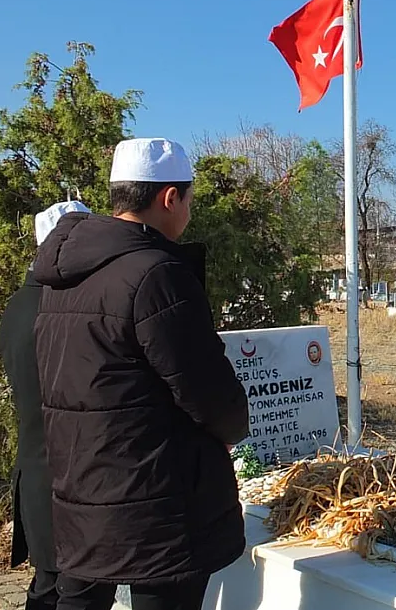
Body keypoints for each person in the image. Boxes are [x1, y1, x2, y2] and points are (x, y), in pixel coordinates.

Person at [32, 138, 250, 610]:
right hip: (156, 498)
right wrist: (235, 427)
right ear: (170, 197)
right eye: (189, 199)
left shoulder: (62, 277)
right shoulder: (155, 273)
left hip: (82, 483)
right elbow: (206, 388)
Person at [0, 200, 91, 610]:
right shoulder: (65, 305)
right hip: (71, 480)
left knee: (46, 588)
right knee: (69, 593)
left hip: (35, 474)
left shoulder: (18, 304)